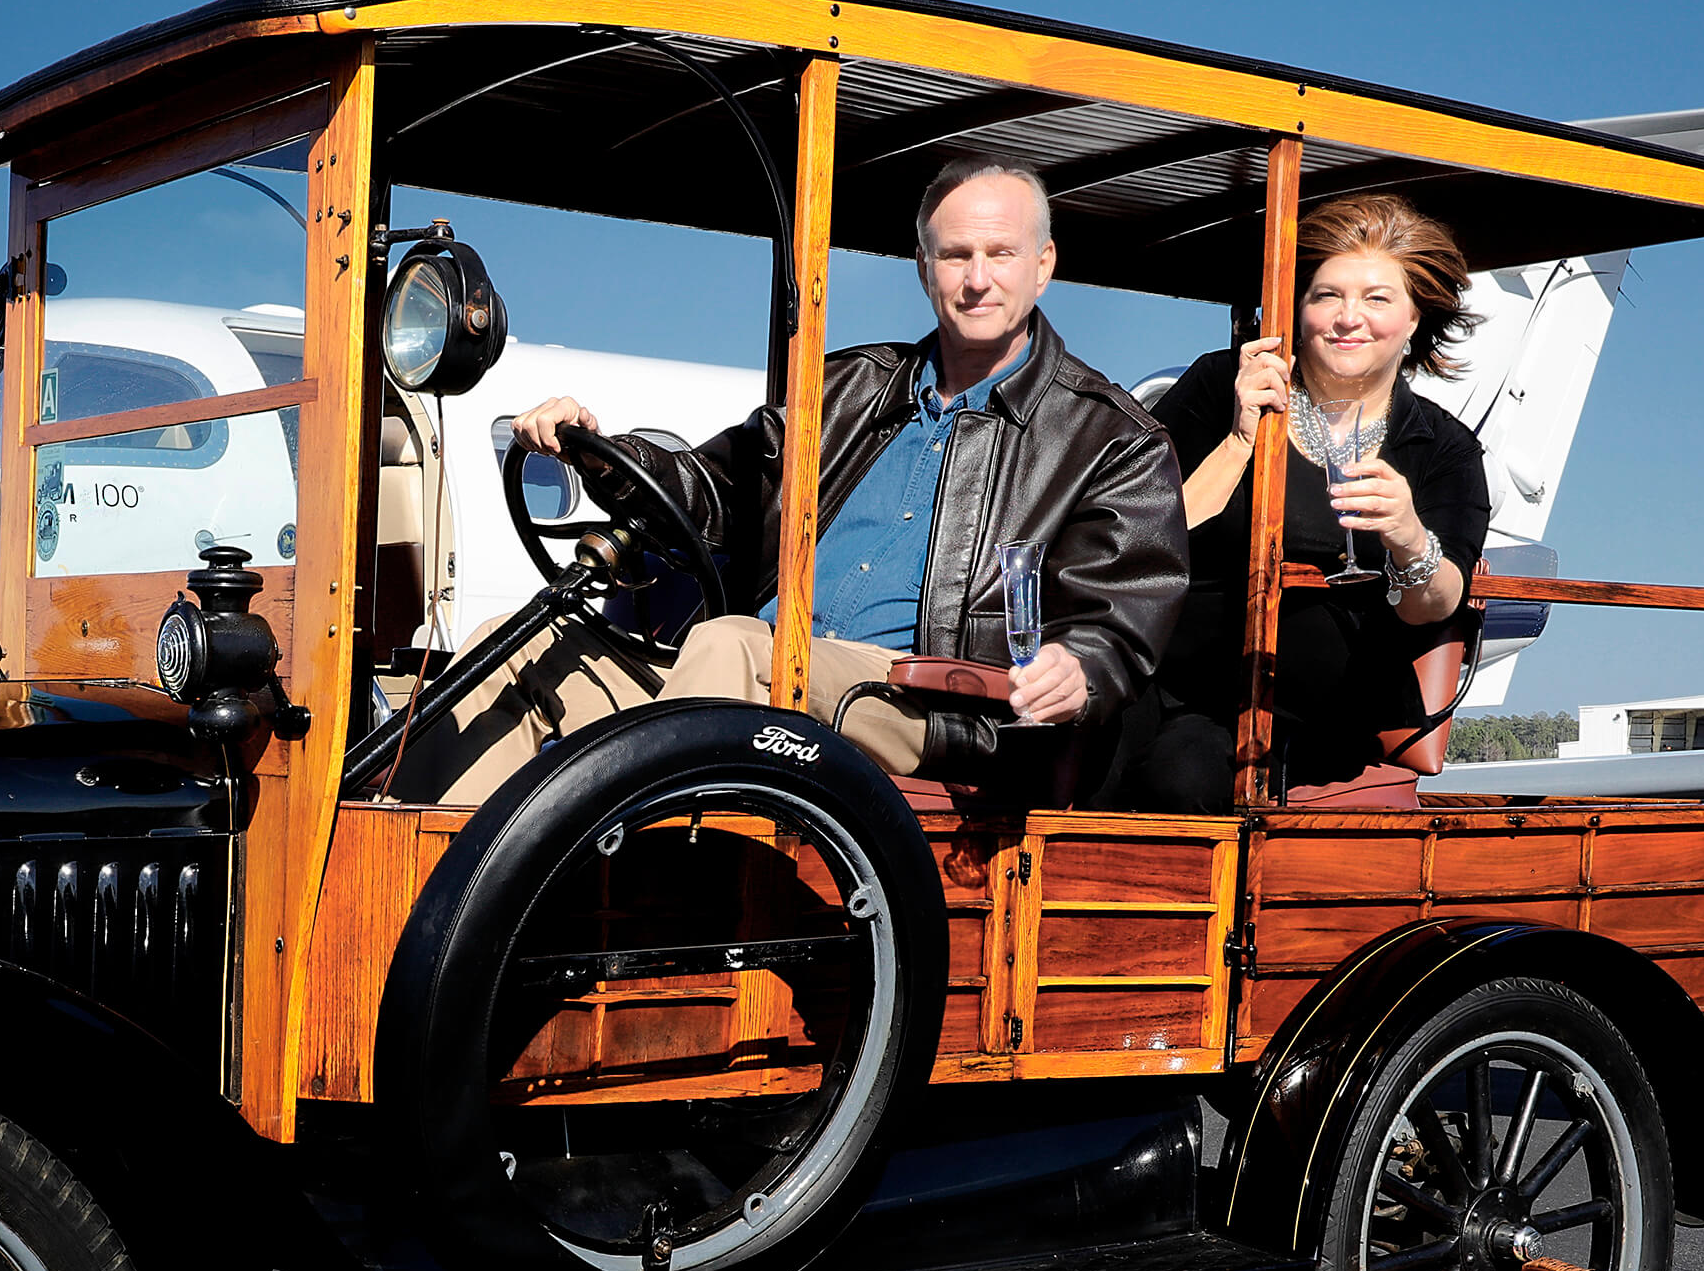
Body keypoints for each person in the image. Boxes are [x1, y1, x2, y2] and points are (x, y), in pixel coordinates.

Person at [399, 158, 1185, 805]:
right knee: (508, 649)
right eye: (956, 256)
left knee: (734, 646)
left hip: (931, 703)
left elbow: (1119, 620)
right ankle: (444, 916)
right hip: (756, 674)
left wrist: (1079, 669)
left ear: (1043, 265)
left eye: (1001, 254)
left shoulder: (1112, 438)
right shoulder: (847, 388)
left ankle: (636, 903)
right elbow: (713, 489)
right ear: (924, 268)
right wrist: (604, 454)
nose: (978, 279)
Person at [1129, 194, 1491, 810]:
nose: (1349, 317)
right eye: (1327, 295)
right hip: (1158, 677)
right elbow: (1139, 537)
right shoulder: (1222, 386)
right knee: (1066, 743)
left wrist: (1407, 535)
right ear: (1298, 311)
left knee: (1183, 774)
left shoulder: (1442, 447)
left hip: (1308, 710)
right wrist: (1240, 441)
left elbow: (1437, 604)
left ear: (1414, 320)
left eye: (1377, 299)